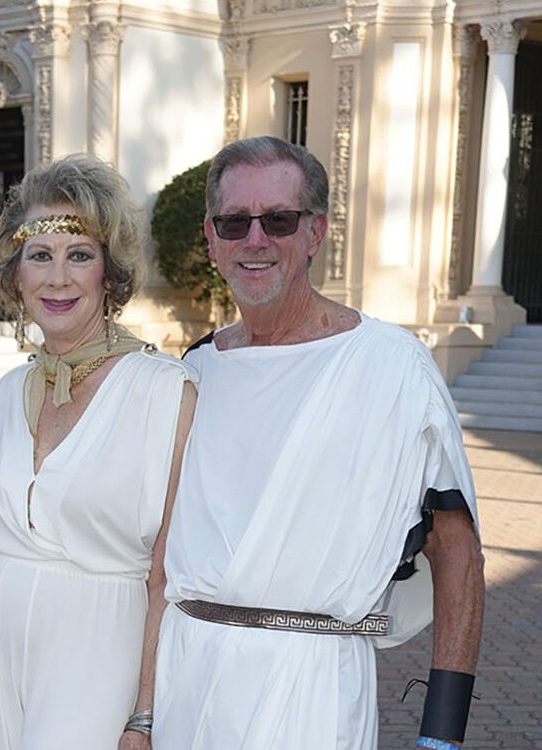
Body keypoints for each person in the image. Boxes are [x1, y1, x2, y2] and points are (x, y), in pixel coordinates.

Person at [154, 135, 485, 750]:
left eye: (278, 219)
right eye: (234, 222)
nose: (255, 240)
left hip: (312, 689)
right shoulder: (195, 371)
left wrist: (443, 733)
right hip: (186, 678)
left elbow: (456, 551)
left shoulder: (391, 367)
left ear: (315, 232)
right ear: (210, 238)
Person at [0, 153, 198, 749]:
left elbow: (169, 572)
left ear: (110, 272)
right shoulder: (6, 392)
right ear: (15, 274)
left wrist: (145, 712)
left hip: (97, 655)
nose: (58, 278)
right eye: (40, 256)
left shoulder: (166, 393)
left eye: (79, 255)